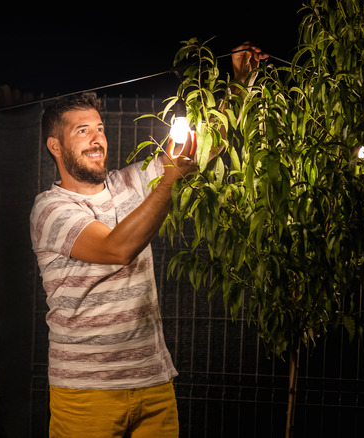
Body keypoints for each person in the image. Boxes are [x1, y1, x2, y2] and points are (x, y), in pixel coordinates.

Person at [29, 43, 267, 437]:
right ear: (55, 146)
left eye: (100, 128)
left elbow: (203, 146)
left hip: (154, 381)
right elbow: (116, 248)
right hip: (87, 392)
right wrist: (169, 179)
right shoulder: (50, 209)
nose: (96, 138)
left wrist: (240, 83)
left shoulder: (131, 183)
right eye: (82, 131)